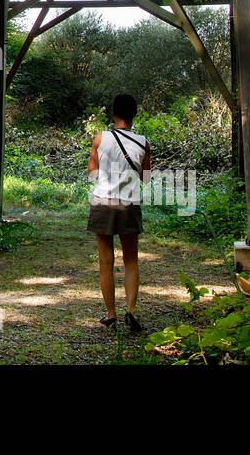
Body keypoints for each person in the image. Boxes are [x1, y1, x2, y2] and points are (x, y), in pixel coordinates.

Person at [88, 93, 150, 332]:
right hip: (129, 205)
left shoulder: (100, 139)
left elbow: (92, 173)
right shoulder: (143, 142)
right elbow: (146, 177)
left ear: (113, 114)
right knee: (131, 260)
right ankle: (131, 311)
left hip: (103, 203)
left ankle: (111, 314)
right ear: (134, 115)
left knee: (106, 261)